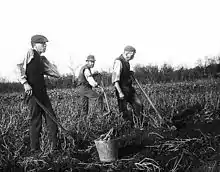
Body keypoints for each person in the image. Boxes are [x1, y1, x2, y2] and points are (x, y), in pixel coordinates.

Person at [17, 34, 61, 155]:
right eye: (42, 43)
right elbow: (20, 66)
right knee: (36, 121)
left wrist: (47, 62)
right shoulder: (29, 53)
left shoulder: (42, 59)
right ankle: (35, 150)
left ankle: (55, 148)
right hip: (32, 94)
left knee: (52, 119)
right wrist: (25, 83)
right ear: (34, 44)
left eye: (45, 44)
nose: (45, 46)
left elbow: (56, 74)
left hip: (42, 94)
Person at [112, 45, 143, 127]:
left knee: (138, 105)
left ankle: (139, 124)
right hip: (122, 90)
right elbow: (115, 80)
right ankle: (127, 128)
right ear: (126, 53)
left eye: (133, 55)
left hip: (129, 89)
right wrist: (120, 92)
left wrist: (130, 73)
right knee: (124, 110)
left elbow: (124, 74)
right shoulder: (118, 62)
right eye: (132, 55)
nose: (133, 57)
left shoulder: (127, 62)